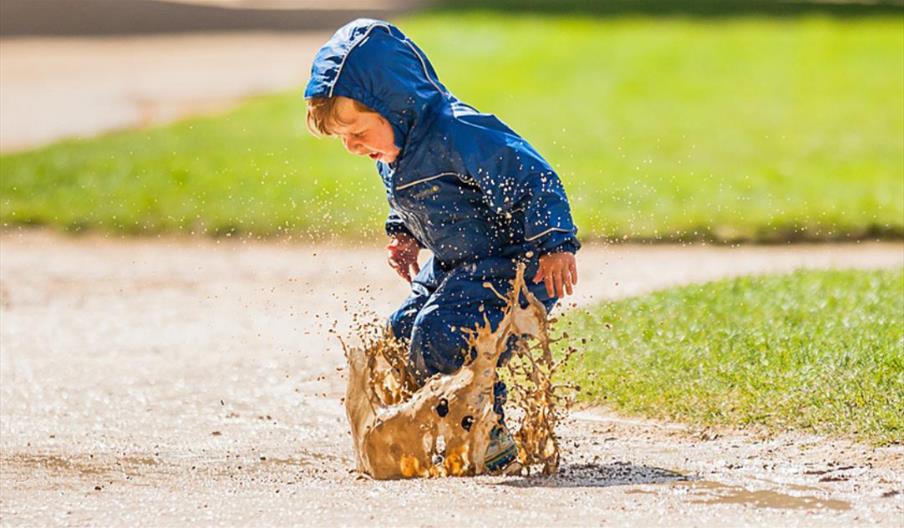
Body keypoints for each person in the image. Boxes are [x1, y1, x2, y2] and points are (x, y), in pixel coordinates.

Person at [304, 19, 579, 474]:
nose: (352, 146)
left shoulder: (459, 131)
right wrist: (404, 233)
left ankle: (487, 434)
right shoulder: (393, 148)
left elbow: (535, 177)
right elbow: (414, 198)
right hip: (457, 264)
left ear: (396, 105)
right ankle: (433, 431)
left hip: (513, 265)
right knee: (399, 334)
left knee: (440, 336)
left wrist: (555, 244)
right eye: (343, 139)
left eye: (357, 131)